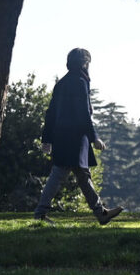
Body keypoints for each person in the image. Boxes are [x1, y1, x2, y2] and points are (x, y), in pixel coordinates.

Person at [35, 48, 124, 226]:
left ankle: (101, 213)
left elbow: (50, 113)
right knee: (60, 173)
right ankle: (40, 213)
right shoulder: (80, 82)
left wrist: (47, 139)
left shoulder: (61, 83)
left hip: (62, 137)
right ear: (84, 63)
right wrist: (95, 138)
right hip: (75, 138)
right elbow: (84, 114)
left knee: (82, 175)